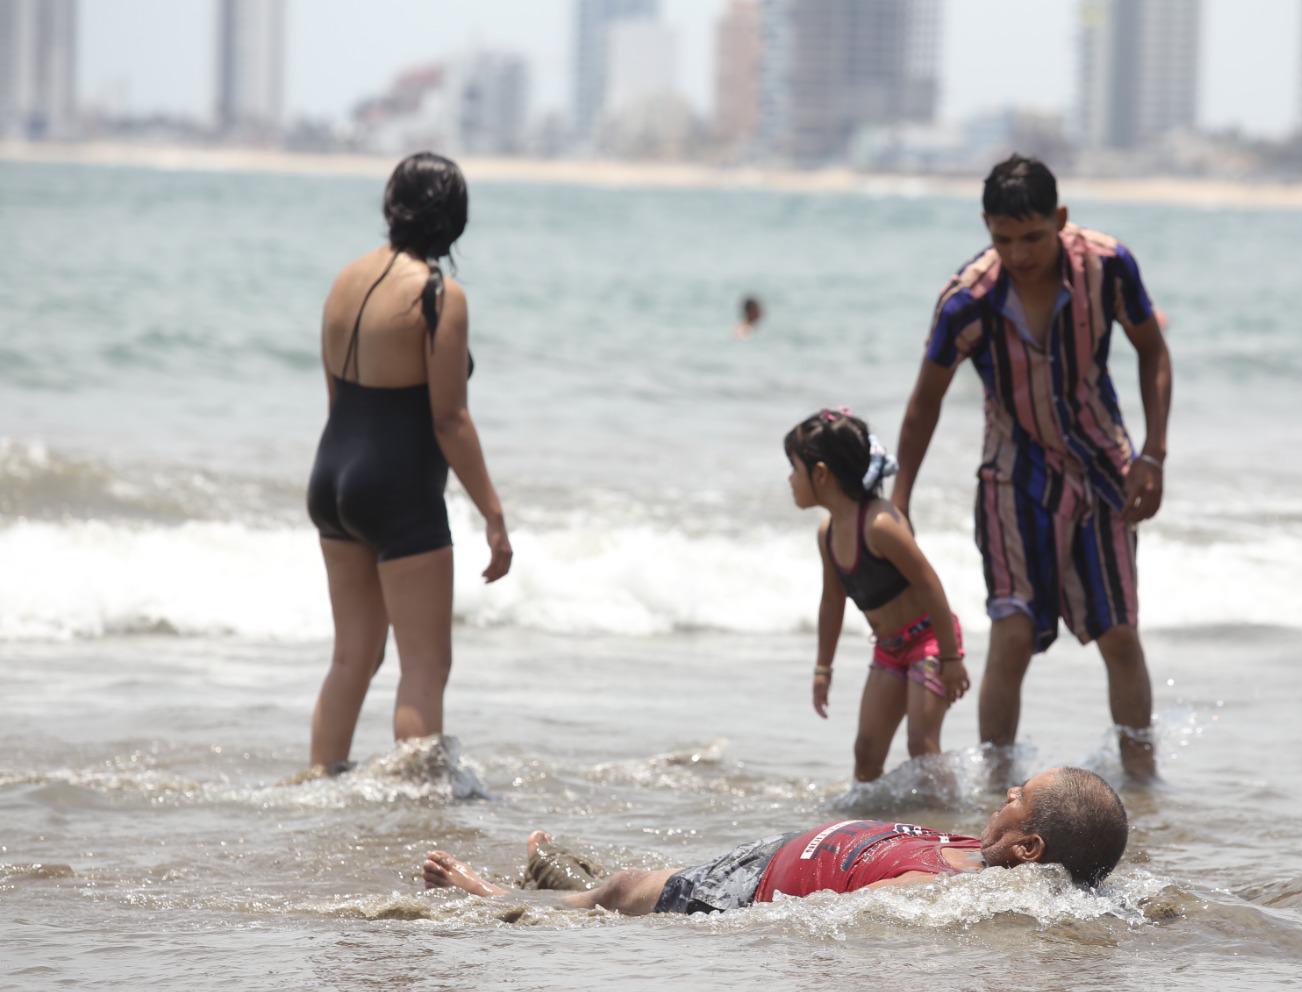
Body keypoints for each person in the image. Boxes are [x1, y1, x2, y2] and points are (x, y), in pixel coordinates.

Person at [892, 155, 1172, 783]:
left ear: (1060, 220)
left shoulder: (1107, 266)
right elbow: (924, 403)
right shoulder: (967, 301)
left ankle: (1144, 780)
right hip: (1012, 477)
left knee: (1119, 634)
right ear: (987, 229)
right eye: (1003, 239)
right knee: (1012, 633)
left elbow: (1153, 349)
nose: (1018, 254)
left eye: (1032, 238)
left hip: (1105, 468)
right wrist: (900, 498)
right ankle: (1000, 790)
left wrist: (1153, 455)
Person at [304, 152, 513, 772]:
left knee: (353, 656)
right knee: (425, 666)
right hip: (398, 486)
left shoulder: (344, 280)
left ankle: (319, 782)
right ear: (454, 220)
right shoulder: (437, 296)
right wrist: (494, 516)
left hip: (332, 473)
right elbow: (449, 418)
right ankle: (418, 810)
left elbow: (335, 393)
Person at [421, 766, 1128, 915]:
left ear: (1030, 848)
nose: (1005, 793)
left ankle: (489, 897)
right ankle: (551, 877)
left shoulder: (947, 887)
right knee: (622, 885)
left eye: (1017, 798)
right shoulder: (978, 849)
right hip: (769, 855)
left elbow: (855, 915)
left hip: (746, 890)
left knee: (620, 890)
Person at [785, 409, 971, 781]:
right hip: (889, 649)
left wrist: (951, 657)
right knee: (866, 752)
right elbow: (832, 602)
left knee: (922, 746)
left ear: (821, 473)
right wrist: (823, 668)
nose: (790, 480)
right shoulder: (828, 533)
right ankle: (868, 829)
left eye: (794, 469)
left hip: (930, 642)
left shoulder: (880, 525)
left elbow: (930, 586)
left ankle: (949, 823)